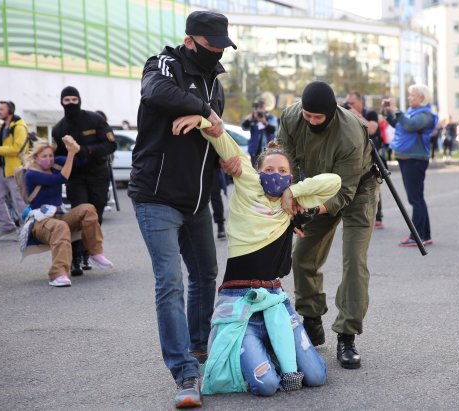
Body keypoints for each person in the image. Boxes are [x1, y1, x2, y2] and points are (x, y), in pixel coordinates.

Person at [172, 114, 339, 396]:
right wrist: (201, 117)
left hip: (275, 302)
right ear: (258, 171)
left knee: (316, 376)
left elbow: (333, 182)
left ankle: (271, 348)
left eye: (282, 171)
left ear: (290, 176)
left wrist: (292, 192)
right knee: (267, 385)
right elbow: (220, 138)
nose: (275, 174)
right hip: (240, 305)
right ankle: (255, 350)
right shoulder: (247, 181)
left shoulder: (295, 201)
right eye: (269, 169)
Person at [127, 10, 237, 409]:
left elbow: (214, 133)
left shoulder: (215, 83)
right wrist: (204, 112)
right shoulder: (163, 63)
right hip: (156, 197)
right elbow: (156, 92)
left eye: (223, 46)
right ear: (190, 40)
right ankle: (184, 372)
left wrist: (224, 150)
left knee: (207, 274)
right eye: (212, 46)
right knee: (170, 282)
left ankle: (198, 345)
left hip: (197, 200)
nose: (218, 53)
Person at [277, 81, 379, 370]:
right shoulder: (292, 117)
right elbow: (285, 162)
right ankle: (311, 318)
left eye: (317, 118)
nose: (310, 122)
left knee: (354, 262)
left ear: (331, 112)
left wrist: (311, 210)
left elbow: (344, 193)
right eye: (307, 115)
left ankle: (347, 336)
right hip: (318, 186)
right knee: (302, 255)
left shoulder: (350, 134)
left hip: (358, 190)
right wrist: (291, 201)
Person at [19, 137, 113, 287]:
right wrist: (70, 154)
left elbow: (81, 161)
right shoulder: (31, 174)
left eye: (50, 155)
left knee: (88, 209)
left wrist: (76, 148)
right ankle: (58, 274)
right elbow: (61, 178)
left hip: (60, 215)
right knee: (60, 227)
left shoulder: (57, 163)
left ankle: (95, 253)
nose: (49, 159)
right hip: (40, 222)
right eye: (44, 156)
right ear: (36, 158)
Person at [52, 86, 116, 277]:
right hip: (76, 178)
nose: (71, 103)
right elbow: (58, 157)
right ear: (61, 102)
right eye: (67, 100)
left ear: (79, 100)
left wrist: (86, 150)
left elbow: (111, 144)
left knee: (96, 214)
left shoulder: (95, 119)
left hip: (98, 174)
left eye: (74, 99)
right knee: (80, 213)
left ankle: (88, 251)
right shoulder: (58, 129)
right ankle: (75, 257)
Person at [383, 84, 438, 247]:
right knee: (417, 198)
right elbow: (400, 125)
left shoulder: (425, 115)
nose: (409, 98)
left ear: (422, 98)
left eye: (412, 95)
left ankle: (417, 235)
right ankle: (424, 235)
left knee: (415, 199)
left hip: (415, 160)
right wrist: (388, 113)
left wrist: (396, 109)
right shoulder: (412, 113)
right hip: (408, 159)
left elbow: (410, 125)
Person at [345, 91, 385, 229]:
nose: (350, 106)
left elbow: (372, 129)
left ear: (361, 102)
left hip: (372, 155)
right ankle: (356, 216)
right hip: (355, 155)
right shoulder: (346, 114)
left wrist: (355, 114)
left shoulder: (370, 113)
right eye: (348, 103)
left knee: (373, 184)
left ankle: (378, 216)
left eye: (352, 103)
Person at [0, 101, 30, 241]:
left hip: (16, 170)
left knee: (20, 202)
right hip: (3, 170)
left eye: (1, 109)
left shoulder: (19, 126)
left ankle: (27, 230)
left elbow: (18, 149)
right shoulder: (4, 126)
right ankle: (7, 228)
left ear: (10, 110)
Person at [241, 98, 277, 167]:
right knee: (255, 172)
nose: (259, 109)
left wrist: (264, 122)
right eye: (258, 107)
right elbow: (244, 127)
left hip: (267, 150)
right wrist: (250, 119)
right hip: (254, 150)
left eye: (261, 107)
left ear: (265, 107)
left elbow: (274, 131)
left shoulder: (271, 118)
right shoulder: (253, 117)